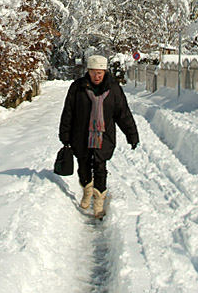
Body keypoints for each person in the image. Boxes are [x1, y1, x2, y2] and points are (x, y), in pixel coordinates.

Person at [58, 55, 138, 218]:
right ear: (88, 71)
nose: (97, 76)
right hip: (81, 136)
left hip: (104, 136)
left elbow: (123, 114)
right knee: (84, 166)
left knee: (100, 167)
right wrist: (65, 134)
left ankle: (99, 203)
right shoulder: (77, 87)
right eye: (94, 72)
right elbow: (68, 112)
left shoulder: (114, 89)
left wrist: (132, 134)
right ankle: (87, 190)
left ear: (105, 72)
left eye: (100, 73)